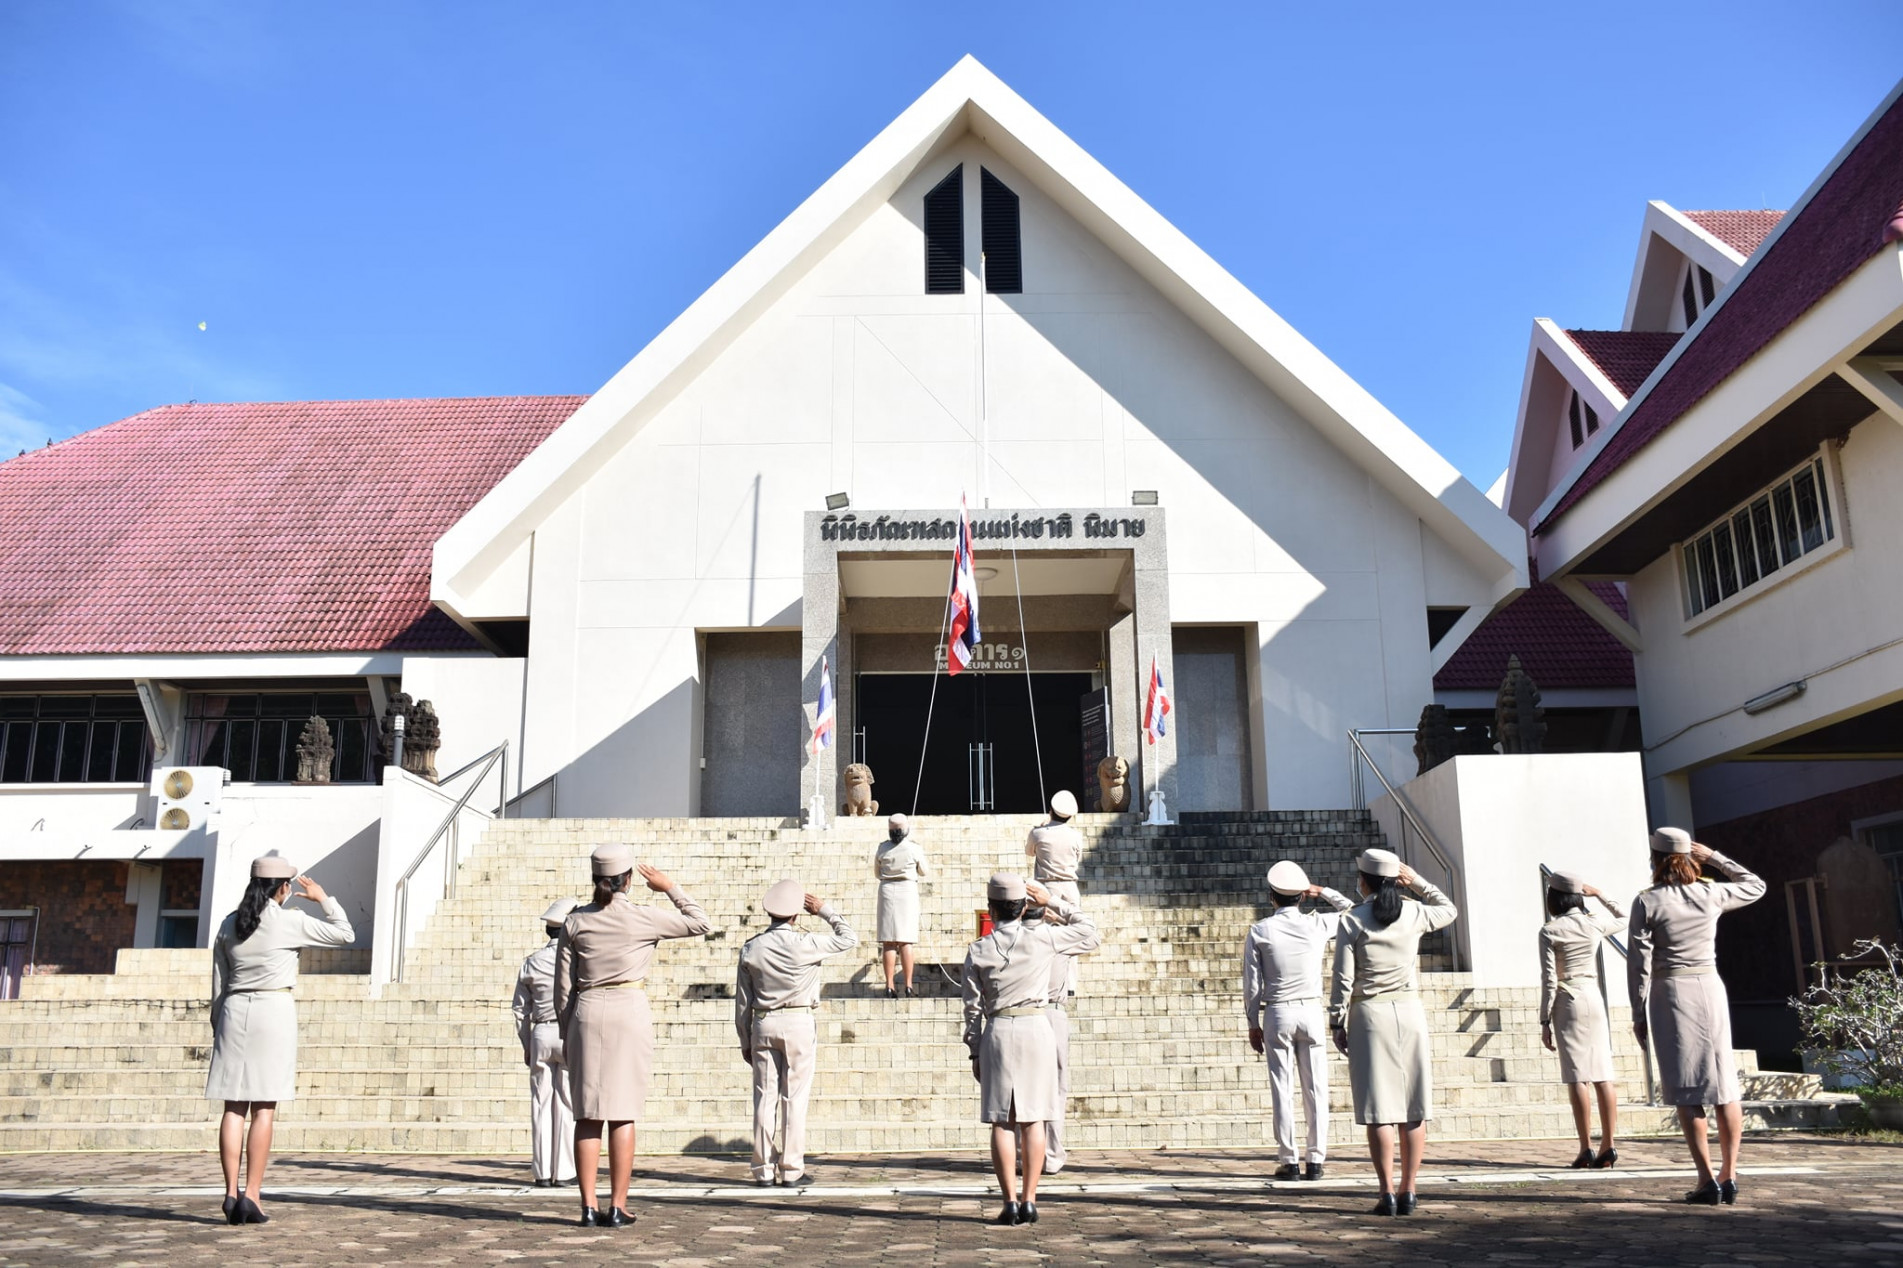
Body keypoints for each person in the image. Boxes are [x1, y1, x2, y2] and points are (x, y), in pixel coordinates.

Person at [555, 844, 710, 1227]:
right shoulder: (644, 917)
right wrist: (669, 887)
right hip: (628, 1007)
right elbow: (700, 922)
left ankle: (588, 1205)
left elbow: (562, 989)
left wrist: (567, 1032)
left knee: (587, 1115)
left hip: (587, 1012)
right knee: (622, 1114)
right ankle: (618, 1205)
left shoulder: (574, 922)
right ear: (628, 880)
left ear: (595, 880)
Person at [205, 852, 355, 1226]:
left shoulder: (228, 924)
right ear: (283, 888)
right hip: (273, 1009)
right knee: (264, 1109)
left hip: (235, 1010)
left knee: (233, 1108)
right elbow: (344, 934)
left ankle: (229, 1192)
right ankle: (252, 1195)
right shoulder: (289, 922)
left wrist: (218, 1025)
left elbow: (218, 986)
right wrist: (324, 899)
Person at [1628, 828, 1765, 1206]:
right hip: (1710, 985)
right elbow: (1756, 885)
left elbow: (1638, 964)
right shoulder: (1712, 892)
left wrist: (1637, 1011)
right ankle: (1730, 1173)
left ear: (1655, 859)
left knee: (1687, 1086)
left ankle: (1706, 1178)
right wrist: (1717, 857)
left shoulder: (1647, 901)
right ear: (1692, 857)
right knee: (1724, 1085)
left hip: (1671, 990)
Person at [962, 872, 1100, 1226]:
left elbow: (972, 1008)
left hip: (999, 1029)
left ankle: (1008, 1201)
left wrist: (974, 1048)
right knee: (1033, 1118)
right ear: (1024, 907)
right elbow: (1089, 931)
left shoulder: (978, 949)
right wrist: (1051, 901)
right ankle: (1030, 1199)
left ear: (991, 909)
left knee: (1002, 1121)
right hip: (1037, 1027)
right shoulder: (1043, 939)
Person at [1329, 848, 1458, 1217]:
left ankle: (1385, 1191)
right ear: (1395, 879)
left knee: (1379, 1110)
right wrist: (1416, 881)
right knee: (1413, 1108)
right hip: (1409, 1011)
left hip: (1369, 1014)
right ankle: (1410, 1190)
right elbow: (1448, 908)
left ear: (1364, 881)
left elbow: (1342, 978)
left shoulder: (1353, 919)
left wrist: (1336, 1020)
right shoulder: (1414, 912)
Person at [735, 878, 858, 1187]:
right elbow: (848, 938)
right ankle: (791, 1168)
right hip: (798, 1020)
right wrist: (824, 911)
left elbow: (743, 1002)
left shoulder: (752, 947)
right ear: (795, 915)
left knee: (765, 1099)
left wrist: (744, 1039)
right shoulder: (806, 943)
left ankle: (763, 1168)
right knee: (795, 1098)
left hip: (764, 1022)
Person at [1243, 860, 1354, 1181]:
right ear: (1302, 897)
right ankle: (1316, 1159)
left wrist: (1253, 1022)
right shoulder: (1317, 925)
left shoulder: (1260, 930)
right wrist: (1324, 891)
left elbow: (1252, 985)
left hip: (1277, 1010)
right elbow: (1353, 911)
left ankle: (1288, 1159)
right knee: (1316, 1087)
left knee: (1282, 1087)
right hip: (1310, 1010)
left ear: (1271, 896)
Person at [1538, 869, 1627, 1170]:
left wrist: (1544, 1020)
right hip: (1594, 995)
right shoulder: (1594, 923)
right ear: (1577, 896)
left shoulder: (1550, 931)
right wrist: (1600, 894)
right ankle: (1610, 1144)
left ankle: (1586, 1147)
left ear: (1554, 898)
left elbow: (1549, 979)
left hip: (1568, 997)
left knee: (1577, 1075)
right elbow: (1625, 917)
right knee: (1603, 1074)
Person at [514, 897, 580, 1188]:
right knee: (566, 1101)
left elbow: (520, 1010)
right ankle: (564, 1170)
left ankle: (542, 1171)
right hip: (568, 1032)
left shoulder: (531, 962)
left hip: (541, 1031)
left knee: (540, 1102)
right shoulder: (576, 961)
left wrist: (526, 1043)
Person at [1030, 891, 1096, 1175]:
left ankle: (1025, 1154)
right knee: (1055, 1088)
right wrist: (1058, 908)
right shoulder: (1056, 939)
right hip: (1053, 1013)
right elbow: (1092, 934)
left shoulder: (1016, 938)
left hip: (1022, 1015)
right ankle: (1052, 1154)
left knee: (1024, 1089)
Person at [873, 813, 929, 997]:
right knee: (906, 941)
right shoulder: (914, 848)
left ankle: (889, 985)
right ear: (906, 830)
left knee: (888, 941)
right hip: (907, 891)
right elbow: (924, 871)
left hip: (887, 890)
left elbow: (876, 872)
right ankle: (908, 985)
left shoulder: (883, 848)